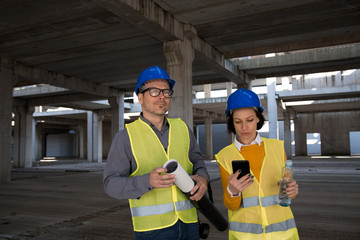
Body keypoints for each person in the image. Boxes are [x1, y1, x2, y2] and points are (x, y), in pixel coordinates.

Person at [103, 65, 209, 240]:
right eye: (154, 91)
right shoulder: (125, 137)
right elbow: (110, 184)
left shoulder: (182, 128)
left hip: (190, 224)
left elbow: (197, 160)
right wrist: (147, 181)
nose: (162, 96)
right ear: (140, 97)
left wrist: (202, 176)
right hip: (153, 231)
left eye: (166, 92)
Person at [215, 88, 299, 240]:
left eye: (250, 120)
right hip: (245, 236)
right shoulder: (224, 156)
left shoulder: (277, 148)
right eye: (238, 122)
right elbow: (231, 205)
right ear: (231, 122)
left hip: (283, 235)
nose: (244, 127)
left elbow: (286, 190)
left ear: (258, 118)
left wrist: (291, 190)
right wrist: (233, 191)